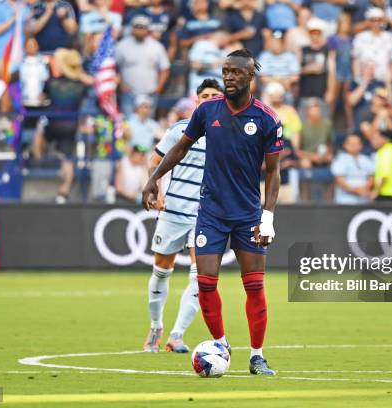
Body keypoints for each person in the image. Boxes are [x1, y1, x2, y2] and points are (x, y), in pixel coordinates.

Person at [142, 49, 283, 376]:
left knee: (254, 287)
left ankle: (257, 355)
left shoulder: (266, 118)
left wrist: (268, 216)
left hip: (248, 216)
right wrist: (153, 179)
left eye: (236, 72)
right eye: (225, 71)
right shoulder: (208, 111)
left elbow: (274, 173)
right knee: (205, 283)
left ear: (251, 77)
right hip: (211, 214)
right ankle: (220, 344)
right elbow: (180, 147)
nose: (229, 77)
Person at [31, 48, 89, 204]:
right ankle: (63, 193)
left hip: (54, 124)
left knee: (38, 132)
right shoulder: (80, 86)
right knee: (67, 159)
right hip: (70, 126)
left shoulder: (51, 83)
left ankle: (38, 160)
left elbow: (40, 98)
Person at [115, 14, 170, 116]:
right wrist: (121, 85)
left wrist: (158, 88)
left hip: (150, 93)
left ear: (148, 29)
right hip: (129, 94)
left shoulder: (157, 46)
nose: (139, 30)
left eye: (143, 27)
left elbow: (165, 69)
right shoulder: (121, 46)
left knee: (148, 122)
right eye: (137, 27)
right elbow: (114, 68)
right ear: (132, 28)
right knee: (128, 123)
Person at [351, 7, 392, 86]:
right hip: (363, 80)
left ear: (382, 21)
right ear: (368, 21)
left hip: (382, 80)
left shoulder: (389, 37)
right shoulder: (360, 37)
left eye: (379, 20)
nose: (376, 23)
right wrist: (357, 78)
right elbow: (356, 59)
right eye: (373, 20)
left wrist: (389, 80)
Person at [331, 134, 374, 204]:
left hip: (365, 200)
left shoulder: (366, 160)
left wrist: (365, 189)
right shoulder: (340, 159)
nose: (354, 146)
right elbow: (340, 181)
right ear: (345, 145)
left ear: (361, 145)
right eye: (351, 144)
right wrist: (357, 191)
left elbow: (371, 178)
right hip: (346, 200)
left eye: (357, 144)